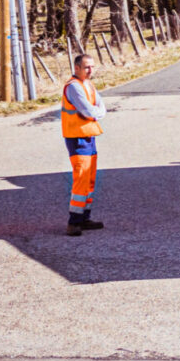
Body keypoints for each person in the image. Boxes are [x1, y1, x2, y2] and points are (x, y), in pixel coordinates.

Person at [61, 54, 107, 235]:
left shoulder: (88, 84)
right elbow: (89, 110)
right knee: (81, 179)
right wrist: (96, 113)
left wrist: (97, 112)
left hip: (89, 136)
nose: (90, 70)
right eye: (87, 67)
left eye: (92, 67)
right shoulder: (73, 87)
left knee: (89, 180)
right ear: (77, 68)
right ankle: (74, 222)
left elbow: (101, 106)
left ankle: (84, 218)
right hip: (77, 137)